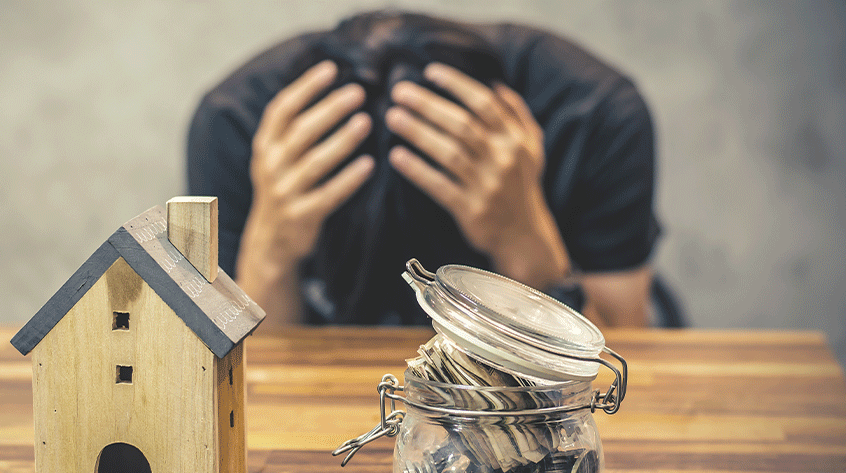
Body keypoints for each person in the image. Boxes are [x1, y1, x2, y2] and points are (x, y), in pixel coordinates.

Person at [186, 11, 665, 328]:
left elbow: (620, 362)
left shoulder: (593, 116)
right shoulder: (237, 124)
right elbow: (240, 389)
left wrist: (525, 243)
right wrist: (272, 253)